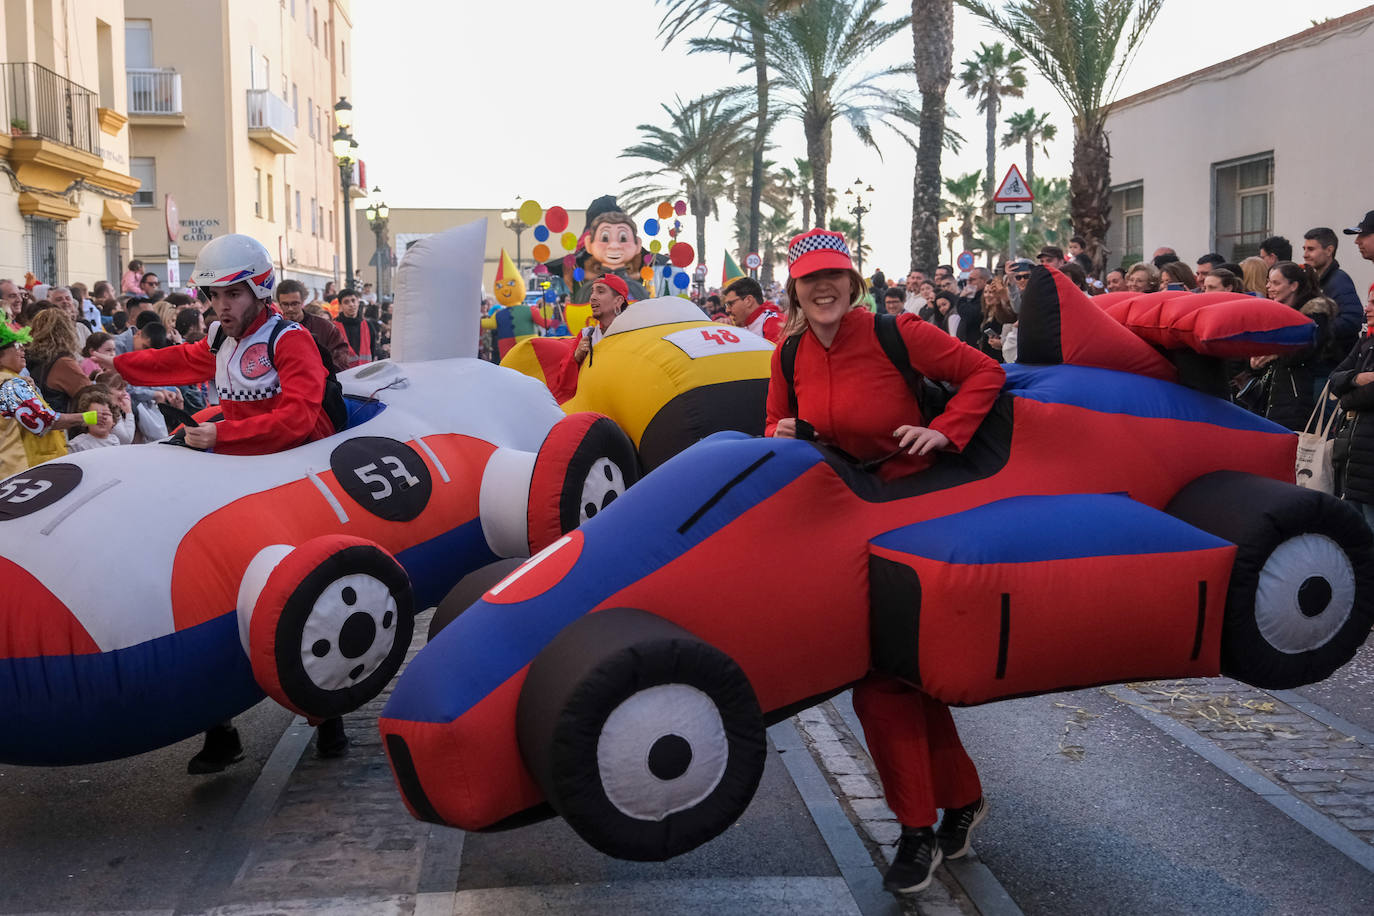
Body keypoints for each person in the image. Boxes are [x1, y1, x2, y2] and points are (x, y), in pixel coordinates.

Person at [766, 229, 1003, 894]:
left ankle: (918, 828)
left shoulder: (898, 333)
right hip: (842, 523)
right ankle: (955, 803)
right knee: (898, 674)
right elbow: (775, 429)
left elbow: (985, 373)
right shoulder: (787, 356)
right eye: (810, 280)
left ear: (853, 282)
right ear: (795, 289)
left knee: (884, 676)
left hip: (915, 514)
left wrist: (945, 430)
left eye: (834, 276)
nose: (823, 288)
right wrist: (786, 436)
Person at [92, 234, 334, 455]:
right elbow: (181, 360)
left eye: (233, 294)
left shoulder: (290, 340)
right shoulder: (221, 336)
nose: (222, 306)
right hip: (244, 457)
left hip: (295, 458)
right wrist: (119, 364)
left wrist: (221, 434)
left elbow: (297, 418)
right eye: (215, 295)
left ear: (260, 293)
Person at [0, 323, 110, 477]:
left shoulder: (10, 382)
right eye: (16, 345)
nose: (22, 349)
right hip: (23, 472)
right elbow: (45, 421)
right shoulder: (10, 385)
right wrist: (88, 417)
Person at [1248, 261, 1338, 430]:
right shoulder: (1278, 311)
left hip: (1308, 391)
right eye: (1268, 281)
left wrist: (1273, 352)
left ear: (1293, 286)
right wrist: (1257, 357)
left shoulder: (1315, 314)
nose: (1268, 287)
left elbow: (1304, 352)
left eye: (1276, 282)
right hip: (1282, 393)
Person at [1331, 283, 1374, 531]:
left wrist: (1346, 399)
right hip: (1355, 452)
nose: (1367, 309)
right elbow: (1335, 377)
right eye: (1368, 302)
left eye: (1373, 303)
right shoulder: (1366, 341)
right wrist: (1357, 379)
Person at [24, 309, 91, 414]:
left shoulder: (28, 358)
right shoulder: (64, 363)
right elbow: (91, 396)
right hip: (59, 426)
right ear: (67, 331)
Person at [278, 279, 350, 372]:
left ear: (303, 301)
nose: (290, 308)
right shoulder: (274, 330)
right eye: (285, 304)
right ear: (279, 304)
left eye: (295, 303)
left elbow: (340, 361)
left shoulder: (324, 327)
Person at [724, 277, 784, 343]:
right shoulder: (745, 323)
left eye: (730, 304)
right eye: (726, 305)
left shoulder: (773, 323)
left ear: (748, 301)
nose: (727, 310)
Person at [332, 288, 372, 366]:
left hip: (366, 372)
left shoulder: (368, 325)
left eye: (353, 300)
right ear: (340, 306)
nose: (351, 304)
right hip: (344, 374)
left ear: (358, 302)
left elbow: (373, 349)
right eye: (346, 302)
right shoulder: (333, 328)